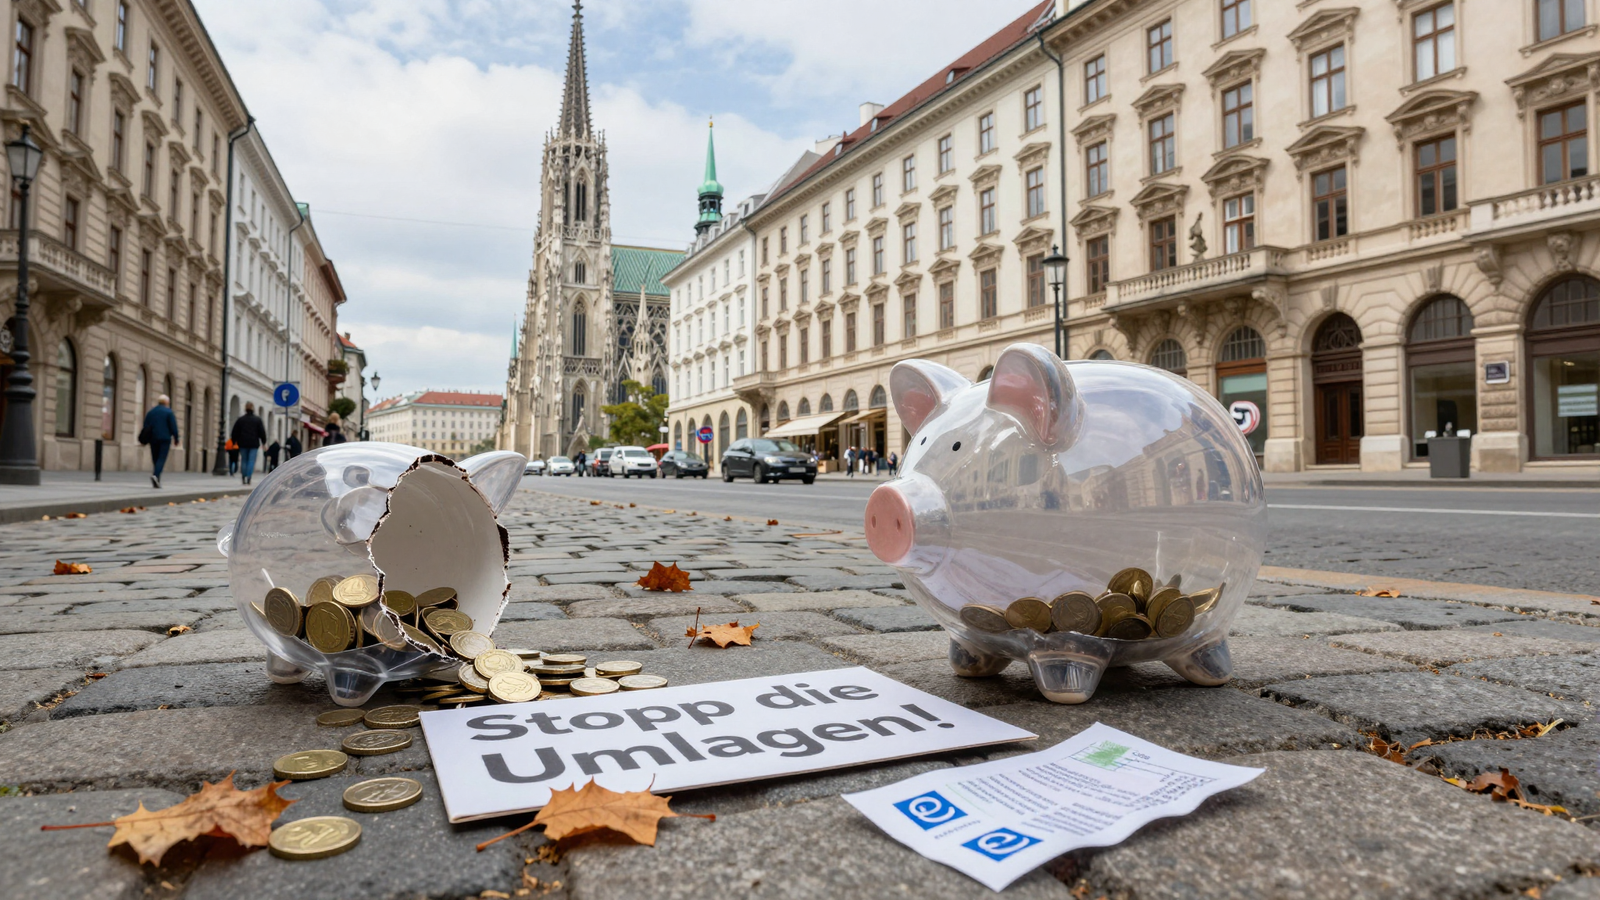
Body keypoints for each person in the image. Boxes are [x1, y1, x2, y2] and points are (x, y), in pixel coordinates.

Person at [139, 394, 180, 489]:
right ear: (167, 402)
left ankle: (157, 480)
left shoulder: (151, 412)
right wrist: (176, 438)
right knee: (161, 459)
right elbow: (173, 426)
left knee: (155, 459)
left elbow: (145, 426)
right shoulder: (169, 412)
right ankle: (156, 475)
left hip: (153, 438)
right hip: (165, 439)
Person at [230, 402, 268, 485]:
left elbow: (235, 432)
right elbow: (262, 432)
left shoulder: (241, 420)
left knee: (244, 460)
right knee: (251, 460)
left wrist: (234, 441)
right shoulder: (257, 420)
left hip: (242, 443)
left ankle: (243, 476)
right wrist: (264, 442)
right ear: (253, 409)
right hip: (254, 444)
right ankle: (249, 477)